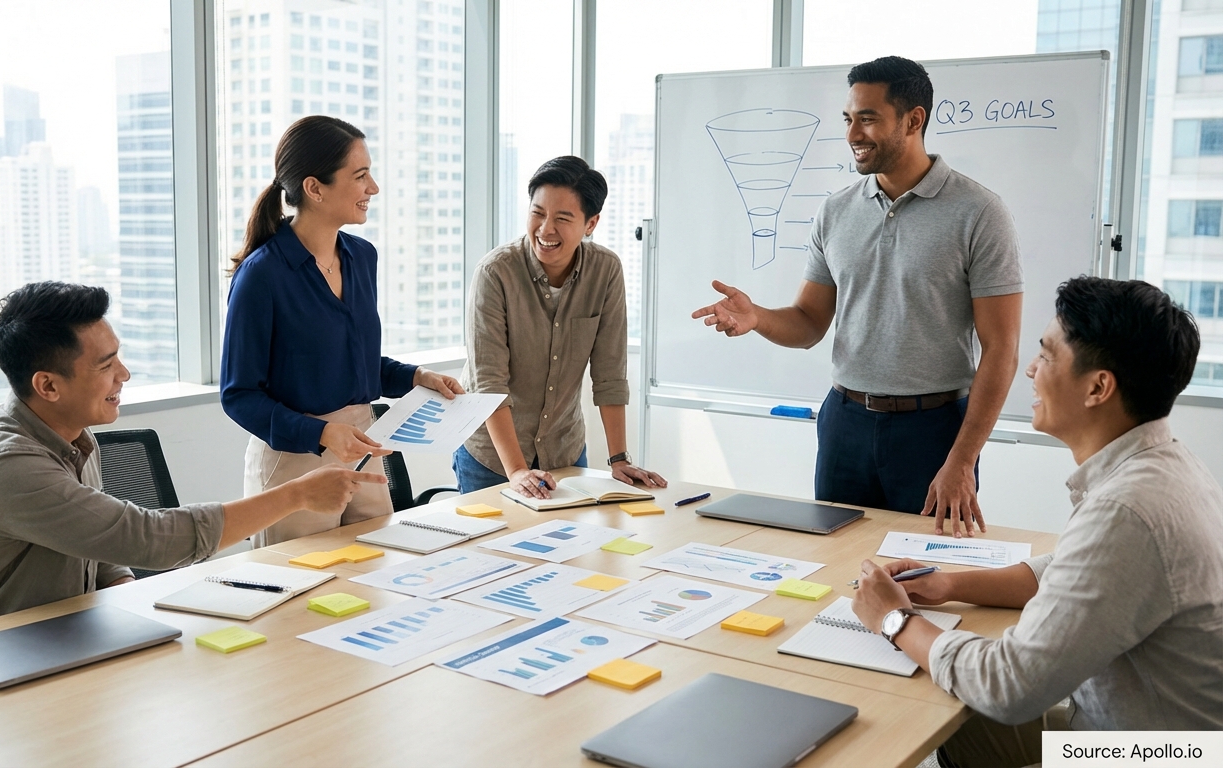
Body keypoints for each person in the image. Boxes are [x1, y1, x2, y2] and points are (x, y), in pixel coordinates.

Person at [852, 277, 1223, 764]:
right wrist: (948, 584)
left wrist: (895, 620)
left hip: (1149, 753)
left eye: (1046, 355)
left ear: (1097, 387)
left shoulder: (1127, 510)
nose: (1030, 369)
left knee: (963, 704)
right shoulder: (1162, 465)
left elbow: (1010, 685)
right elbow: (1069, 571)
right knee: (963, 723)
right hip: (1159, 738)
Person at [693, 56, 1022, 537]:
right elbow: (808, 322)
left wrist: (963, 459)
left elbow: (1002, 350)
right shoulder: (836, 211)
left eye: (867, 119)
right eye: (849, 119)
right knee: (831, 569)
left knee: (924, 576)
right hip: (844, 423)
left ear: (914, 120)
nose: (852, 134)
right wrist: (757, 317)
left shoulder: (979, 213)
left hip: (933, 431)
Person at [0, 282, 386, 630]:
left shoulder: (69, 433)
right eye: (105, 365)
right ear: (48, 386)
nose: (124, 374)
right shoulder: (7, 465)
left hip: (68, 631)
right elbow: (146, 538)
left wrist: (124, 597)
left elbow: (96, 542)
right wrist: (296, 495)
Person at [220, 116, 461, 546]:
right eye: (360, 175)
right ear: (315, 188)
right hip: (294, 462)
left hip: (362, 446)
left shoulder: (361, 257)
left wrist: (416, 378)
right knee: (300, 594)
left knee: (375, 577)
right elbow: (239, 396)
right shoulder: (263, 275)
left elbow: (352, 361)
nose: (374, 188)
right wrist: (322, 433)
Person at [457, 156, 665, 498]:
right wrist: (517, 471)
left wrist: (618, 459)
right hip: (493, 458)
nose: (545, 229)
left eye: (562, 219)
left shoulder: (606, 271)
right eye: (537, 213)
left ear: (591, 223)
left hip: (563, 450)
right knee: (492, 551)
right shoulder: (496, 273)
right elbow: (489, 383)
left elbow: (610, 373)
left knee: (569, 547)